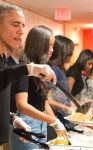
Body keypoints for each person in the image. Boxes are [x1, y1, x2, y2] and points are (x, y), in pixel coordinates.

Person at [0, 3, 56, 149]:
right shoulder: (18, 66)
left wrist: (12, 118)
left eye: (23, 26)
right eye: (15, 24)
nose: (21, 31)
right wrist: (29, 68)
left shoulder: (3, 59)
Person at [10, 25, 65, 150]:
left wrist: (57, 122)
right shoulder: (24, 67)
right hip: (26, 123)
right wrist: (53, 121)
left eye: (53, 46)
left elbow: (43, 101)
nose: (51, 50)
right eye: (49, 45)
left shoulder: (41, 69)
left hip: (41, 123)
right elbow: (22, 105)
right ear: (39, 45)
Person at [47, 35, 75, 130]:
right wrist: (65, 108)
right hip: (56, 119)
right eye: (70, 50)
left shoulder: (60, 68)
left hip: (63, 118)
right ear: (62, 51)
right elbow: (46, 100)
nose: (72, 54)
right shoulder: (53, 69)